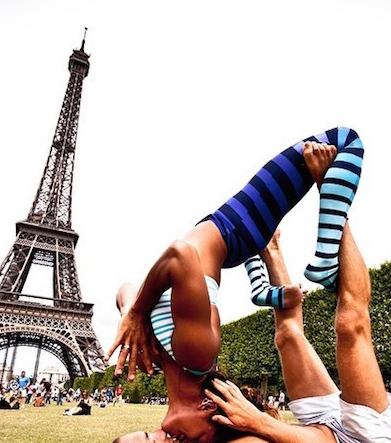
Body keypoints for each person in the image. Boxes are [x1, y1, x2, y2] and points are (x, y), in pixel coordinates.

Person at [97, 150, 391, 443]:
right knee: (349, 325)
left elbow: (131, 288)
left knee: (287, 335)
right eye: (149, 440)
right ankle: (333, 198)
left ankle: (270, 247)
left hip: (317, 427)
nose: (158, 432)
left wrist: (133, 314)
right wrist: (256, 421)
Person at [105, 128, 364, 385]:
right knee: (346, 140)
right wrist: (136, 311)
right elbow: (177, 255)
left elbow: (126, 288)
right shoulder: (193, 352)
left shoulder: (184, 352)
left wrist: (132, 311)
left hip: (233, 237)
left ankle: (281, 280)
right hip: (235, 228)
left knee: (344, 141)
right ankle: (323, 261)